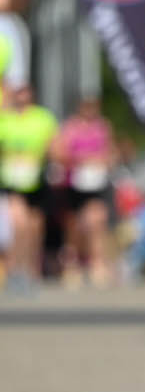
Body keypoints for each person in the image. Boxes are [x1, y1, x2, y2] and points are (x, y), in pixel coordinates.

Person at [51, 102, 120, 285]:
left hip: (96, 184)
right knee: (73, 224)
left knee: (97, 220)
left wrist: (103, 161)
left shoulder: (102, 127)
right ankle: (71, 262)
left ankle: (97, 262)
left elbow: (111, 152)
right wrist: (80, 159)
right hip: (74, 184)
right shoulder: (70, 128)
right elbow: (58, 153)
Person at [0, 83, 56, 291]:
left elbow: (55, 146)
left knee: (33, 229)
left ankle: (31, 268)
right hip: (12, 181)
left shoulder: (43, 118)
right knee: (19, 224)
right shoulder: (5, 119)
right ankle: (14, 269)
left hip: (36, 180)